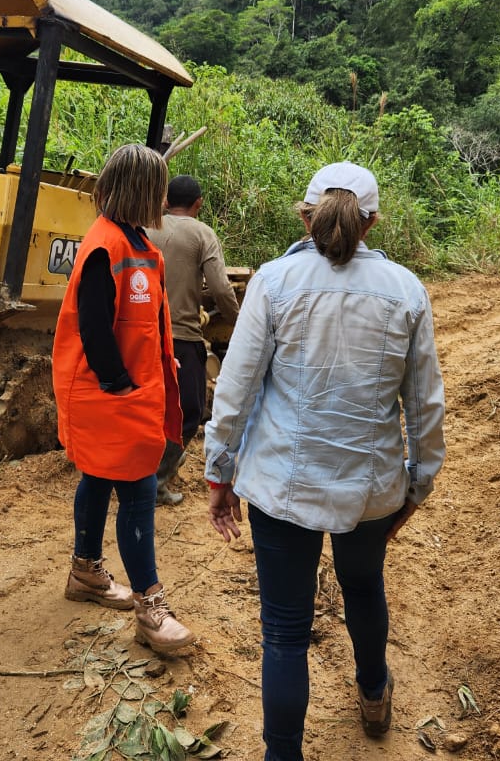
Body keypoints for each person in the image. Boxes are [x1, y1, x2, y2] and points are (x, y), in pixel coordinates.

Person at [202, 161, 446, 760]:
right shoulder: (407, 291)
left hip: (282, 484)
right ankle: (373, 696)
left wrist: (219, 468)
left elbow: (236, 386)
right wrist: (418, 483)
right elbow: (425, 403)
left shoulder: (275, 280)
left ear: (306, 216)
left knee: (284, 630)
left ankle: (282, 753)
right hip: (370, 489)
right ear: (373, 222)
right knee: (363, 588)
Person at [52, 143, 195, 655]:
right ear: (143, 191)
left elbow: (135, 321)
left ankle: (85, 571)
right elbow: (92, 326)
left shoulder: (132, 242)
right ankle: (150, 607)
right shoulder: (105, 246)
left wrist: (157, 362)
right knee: (137, 490)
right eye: (157, 188)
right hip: (111, 394)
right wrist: (119, 384)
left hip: (128, 391)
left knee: (98, 476)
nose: (162, 196)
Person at [145, 174, 240, 506]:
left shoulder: (145, 227)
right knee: (190, 410)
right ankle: (156, 481)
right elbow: (220, 288)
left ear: (166, 201)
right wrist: (239, 321)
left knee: (149, 407)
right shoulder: (203, 234)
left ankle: (147, 467)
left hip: (142, 335)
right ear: (198, 204)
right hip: (182, 337)